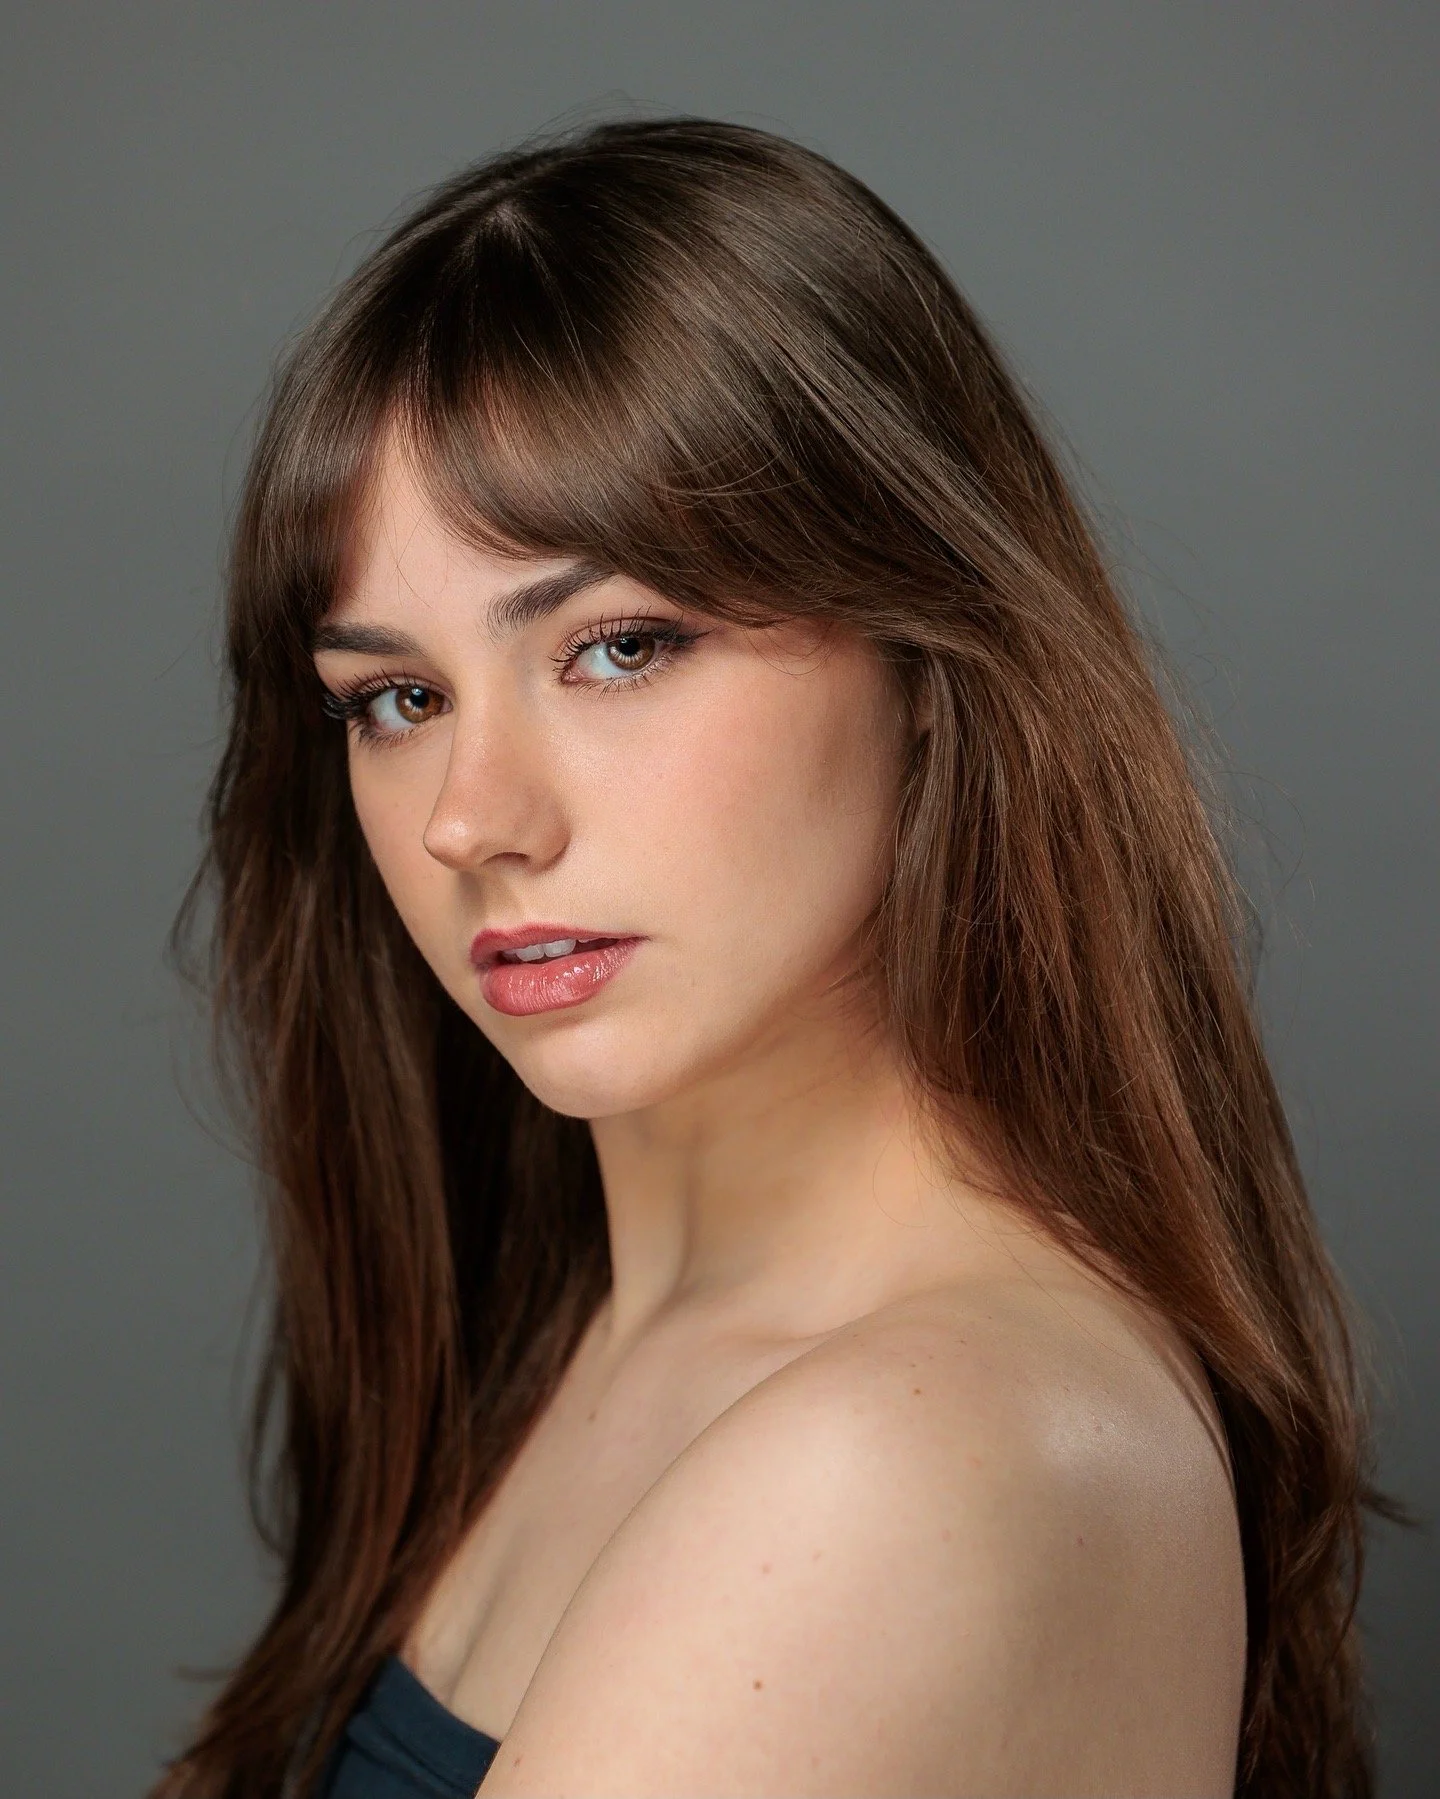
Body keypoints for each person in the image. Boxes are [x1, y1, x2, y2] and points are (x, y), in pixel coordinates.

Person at [154, 117, 1380, 1798]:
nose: (469, 818)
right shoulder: (554, 1334)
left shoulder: (911, 1457)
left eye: (620, 647)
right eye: (397, 697)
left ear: (925, 648)